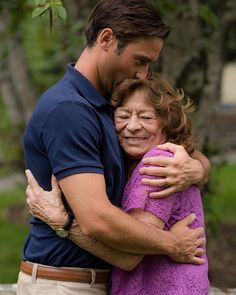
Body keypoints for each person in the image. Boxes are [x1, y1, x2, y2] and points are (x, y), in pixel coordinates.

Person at [17, 0, 210, 294]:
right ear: (107, 39)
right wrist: (172, 244)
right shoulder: (70, 111)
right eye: (140, 60)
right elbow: (98, 220)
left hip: (95, 280)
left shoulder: (109, 107)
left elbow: (179, 149)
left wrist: (196, 168)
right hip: (65, 283)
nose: (144, 74)